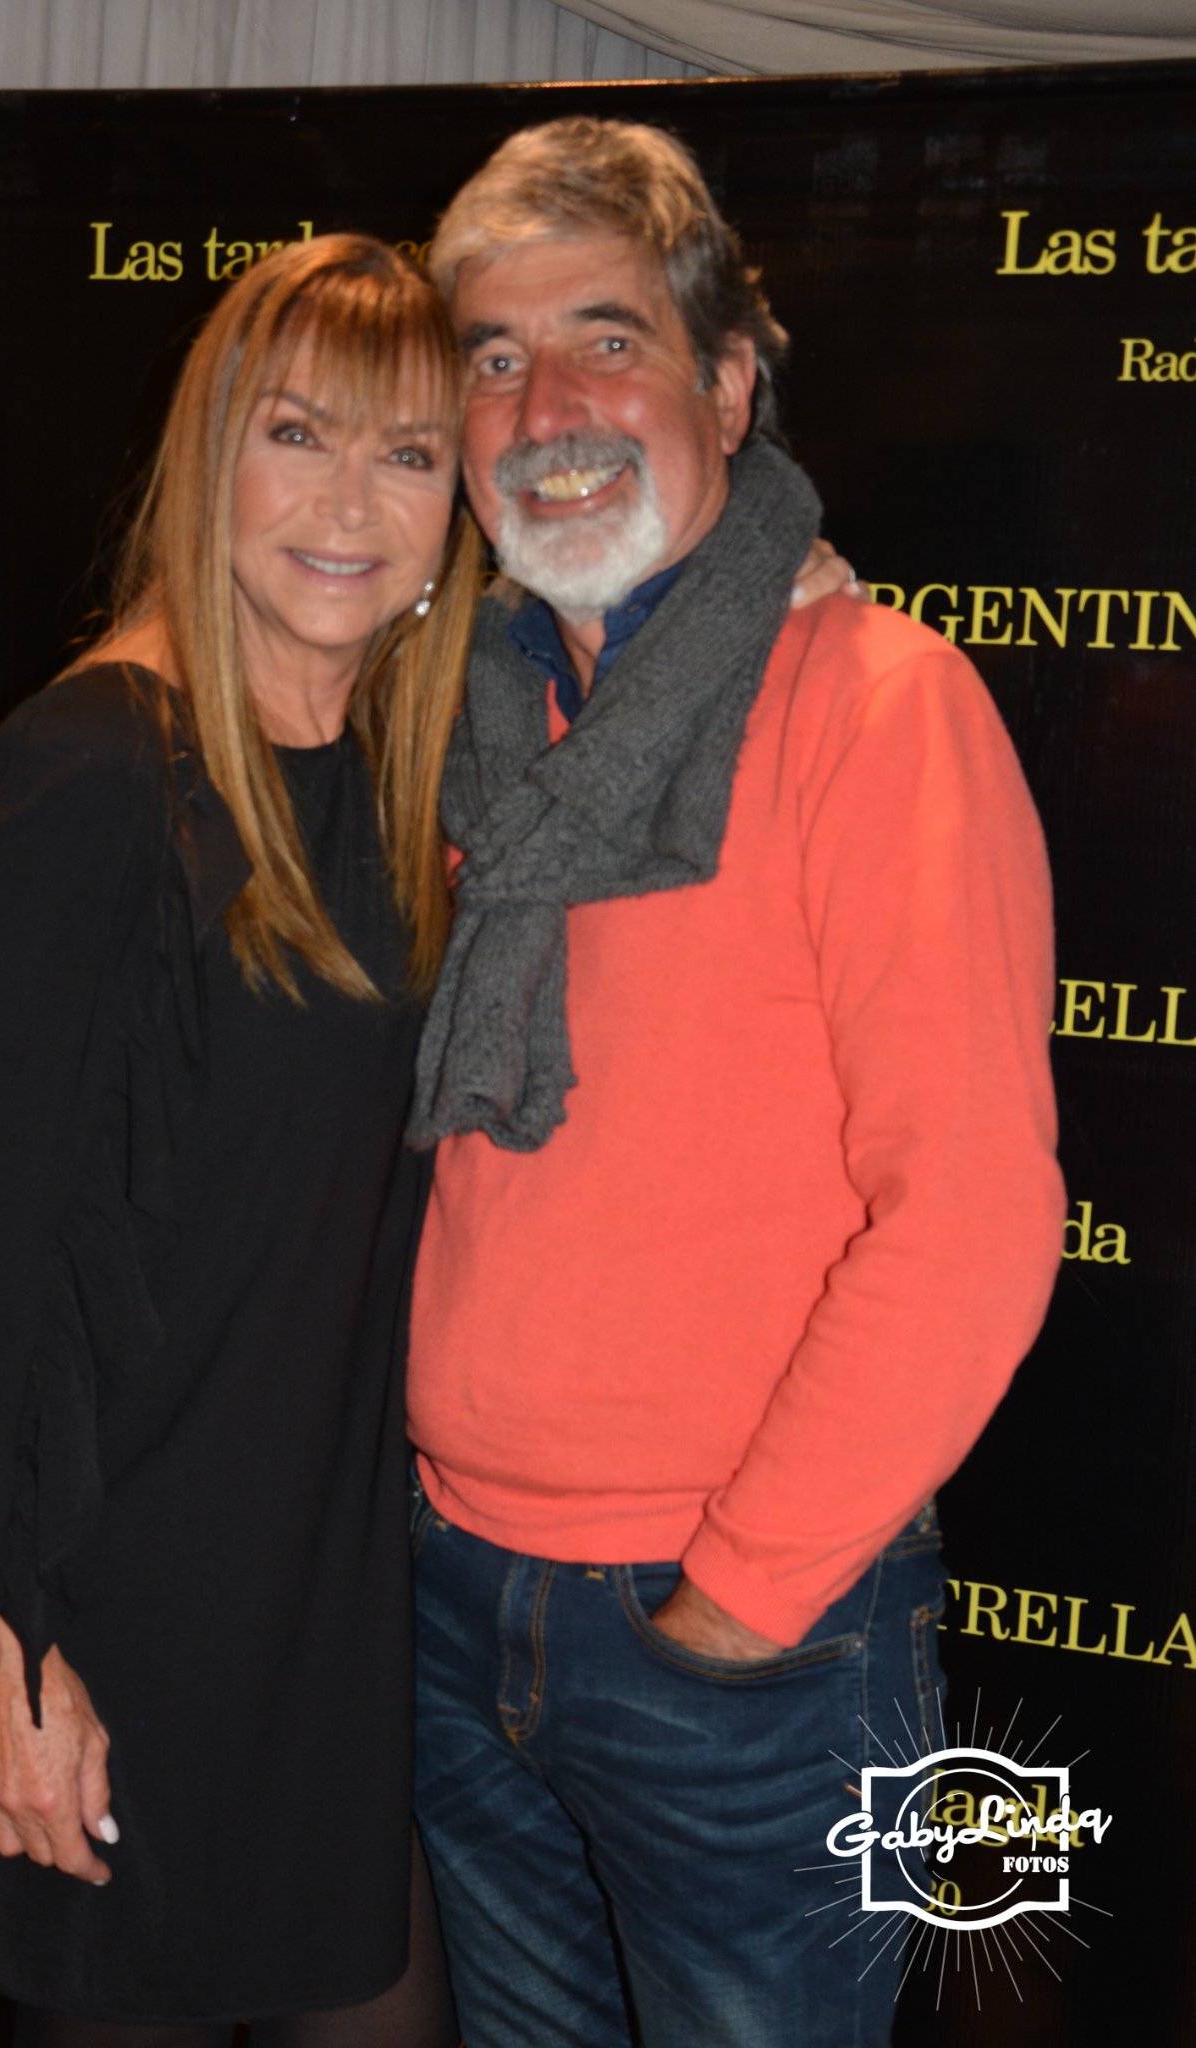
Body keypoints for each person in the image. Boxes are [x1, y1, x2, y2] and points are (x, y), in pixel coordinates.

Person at [405, 118, 1066, 2048]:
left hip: (737, 1640)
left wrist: (735, 1609)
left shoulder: (879, 704)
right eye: (495, 356)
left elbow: (969, 1217)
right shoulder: (456, 712)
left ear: (727, 386)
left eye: (606, 340)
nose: (547, 408)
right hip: (452, 1589)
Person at [0, 233, 486, 2048]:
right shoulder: (94, 772)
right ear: (210, 455)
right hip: (115, 1622)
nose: (350, 503)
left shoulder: (391, 774)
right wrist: (1, 1666)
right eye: (298, 434)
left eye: (407, 452)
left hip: (323, 1604)